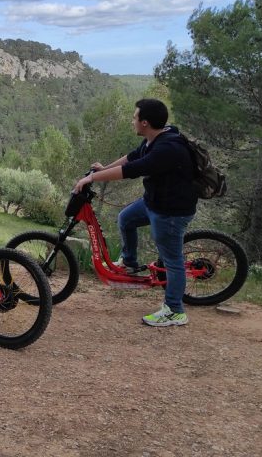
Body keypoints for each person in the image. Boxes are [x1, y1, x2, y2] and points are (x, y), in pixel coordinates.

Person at [72, 98, 197, 327]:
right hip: (154, 203)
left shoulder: (167, 149)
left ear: (145, 123)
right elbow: (132, 156)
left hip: (171, 212)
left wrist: (91, 178)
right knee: (125, 218)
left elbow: (132, 169)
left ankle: (175, 310)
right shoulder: (155, 138)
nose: (133, 121)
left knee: (172, 260)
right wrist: (104, 169)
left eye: (134, 117)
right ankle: (130, 261)